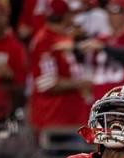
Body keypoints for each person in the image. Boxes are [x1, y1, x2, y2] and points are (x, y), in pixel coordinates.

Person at [28, 0, 91, 135]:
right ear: (66, 16)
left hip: (72, 118)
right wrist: (82, 84)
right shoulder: (44, 41)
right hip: (53, 119)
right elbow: (46, 83)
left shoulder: (64, 39)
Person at [82, 0, 124, 101]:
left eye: (116, 11)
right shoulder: (101, 39)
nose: (111, 16)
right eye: (108, 11)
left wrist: (104, 48)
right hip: (100, 102)